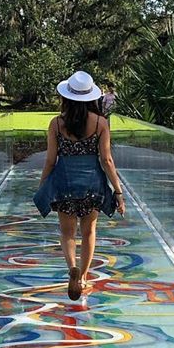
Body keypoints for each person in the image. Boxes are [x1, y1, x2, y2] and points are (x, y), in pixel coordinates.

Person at [33, 70, 125, 300]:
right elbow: (106, 160)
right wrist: (118, 191)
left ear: (67, 97)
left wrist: (43, 185)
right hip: (92, 185)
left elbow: (50, 159)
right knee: (89, 231)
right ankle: (83, 276)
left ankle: (71, 267)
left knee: (67, 232)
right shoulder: (100, 123)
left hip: (64, 184)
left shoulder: (56, 124)